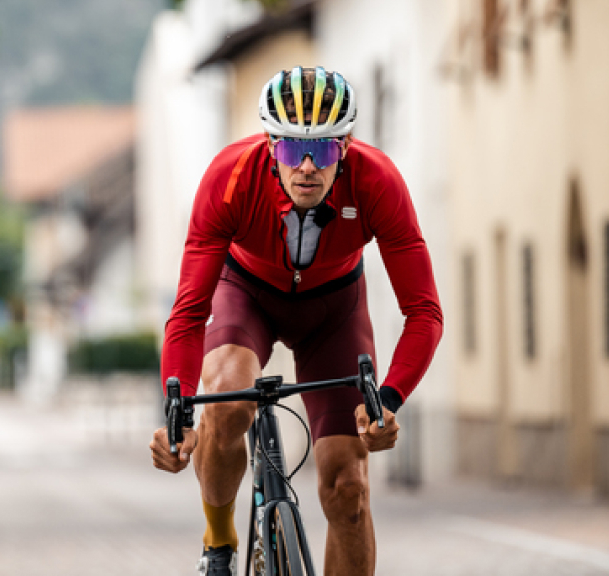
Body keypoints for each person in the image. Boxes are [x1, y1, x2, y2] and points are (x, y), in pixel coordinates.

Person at [149, 66, 443, 576]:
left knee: (348, 485)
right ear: (270, 146)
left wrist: (387, 401)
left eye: (324, 150)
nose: (307, 166)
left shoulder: (378, 183)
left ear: (346, 147)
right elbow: (189, 311)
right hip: (247, 293)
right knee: (227, 401)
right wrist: (179, 416)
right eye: (290, 150)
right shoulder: (230, 178)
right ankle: (219, 542)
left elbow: (423, 312)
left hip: (334, 307)